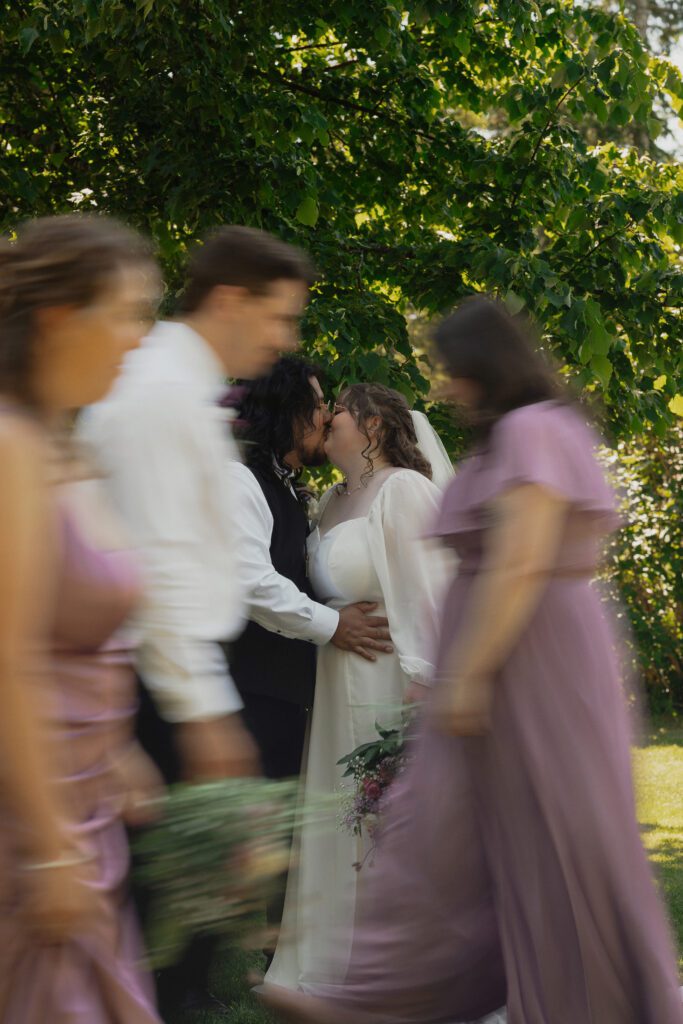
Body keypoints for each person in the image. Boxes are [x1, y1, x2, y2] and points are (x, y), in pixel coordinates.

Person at [260, 297, 683, 1024]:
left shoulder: (533, 430)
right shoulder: (502, 444)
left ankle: (594, 1004)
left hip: (531, 660)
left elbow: (518, 563)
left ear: (486, 368)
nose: (444, 389)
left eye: (451, 373)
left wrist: (465, 676)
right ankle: (392, 998)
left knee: (551, 838)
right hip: (493, 660)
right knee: (455, 834)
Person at [78, 225, 314, 1014]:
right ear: (229, 299)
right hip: (158, 691)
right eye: (279, 318)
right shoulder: (159, 394)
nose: (285, 340)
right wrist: (204, 715)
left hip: (175, 684)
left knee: (179, 929)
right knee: (156, 935)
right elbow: (156, 569)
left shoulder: (184, 389)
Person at [0, 214, 163, 1022]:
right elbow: (10, 659)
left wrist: (122, 749)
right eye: (128, 313)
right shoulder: (10, 447)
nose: (139, 338)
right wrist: (46, 845)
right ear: (61, 315)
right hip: (31, 825)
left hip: (85, 807)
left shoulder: (68, 447)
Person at [265, 383, 453, 992]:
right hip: (335, 673)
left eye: (337, 410)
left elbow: (432, 595)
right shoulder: (330, 502)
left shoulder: (404, 490)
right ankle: (330, 959)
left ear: (371, 425)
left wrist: (423, 693)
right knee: (337, 812)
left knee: (383, 816)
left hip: (389, 679)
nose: (326, 419)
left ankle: (403, 969)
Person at [229, 355, 393, 782]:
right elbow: (252, 582)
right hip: (245, 702)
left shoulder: (291, 492)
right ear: (288, 408)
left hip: (286, 700)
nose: (327, 418)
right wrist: (334, 623)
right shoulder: (239, 480)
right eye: (320, 405)